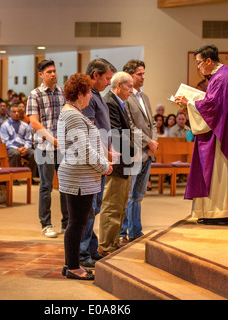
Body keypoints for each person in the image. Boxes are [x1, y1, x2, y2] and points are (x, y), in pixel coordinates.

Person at [174, 44, 228, 225]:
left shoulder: (221, 78)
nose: (198, 67)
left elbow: (212, 108)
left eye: (199, 63)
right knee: (215, 173)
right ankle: (211, 212)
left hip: (218, 135)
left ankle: (218, 214)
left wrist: (189, 103)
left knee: (216, 174)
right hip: (219, 130)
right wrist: (191, 102)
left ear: (209, 61)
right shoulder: (221, 76)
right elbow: (212, 103)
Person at [57, 73, 112, 280]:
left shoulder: (72, 112)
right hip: (79, 177)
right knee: (77, 223)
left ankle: (69, 265)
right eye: (89, 92)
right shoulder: (73, 115)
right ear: (80, 93)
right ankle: (73, 267)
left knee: (77, 222)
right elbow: (84, 150)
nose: (91, 96)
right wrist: (105, 166)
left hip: (80, 175)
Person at [80, 58, 117, 266]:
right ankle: (83, 253)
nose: (109, 83)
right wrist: (102, 157)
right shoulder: (88, 98)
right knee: (89, 208)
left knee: (94, 208)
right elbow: (90, 132)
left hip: (101, 157)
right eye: (107, 78)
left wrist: (109, 151)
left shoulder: (97, 96)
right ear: (95, 75)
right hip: (93, 161)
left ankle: (91, 248)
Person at [26, 60, 68, 238]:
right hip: (45, 147)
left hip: (63, 147)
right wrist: (53, 140)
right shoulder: (35, 94)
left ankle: (67, 224)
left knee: (66, 186)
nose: (53, 74)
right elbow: (34, 122)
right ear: (41, 75)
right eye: (49, 72)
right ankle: (46, 224)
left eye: (54, 71)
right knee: (46, 186)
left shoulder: (62, 92)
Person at [98, 71, 135, 255]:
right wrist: (135, 148)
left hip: (124, 161)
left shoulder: (119, 102)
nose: (132, 90)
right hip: (117, 160)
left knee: (120, 205)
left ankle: (113, 243)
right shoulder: (110, 102)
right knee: (112, 205)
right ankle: (106, 245)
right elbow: (115, 134)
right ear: (119, 85)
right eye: (129, 86)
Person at [121, 59, 158, 243]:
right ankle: (123, 233)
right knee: (128, 195)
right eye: (139, 74)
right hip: (134, 151)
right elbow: (130, 126)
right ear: (130, 76)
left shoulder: (145, 97)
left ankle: (136, 230)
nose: (143, 77)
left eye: (144, 73)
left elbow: (152, 124)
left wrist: (154, 143)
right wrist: (148, 142)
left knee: (139, 194)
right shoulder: (126, 98)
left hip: (148, 152)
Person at [0, 105, 37, 183]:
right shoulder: (5, 126)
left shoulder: (25, 125)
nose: (16, 113)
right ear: (9, 113)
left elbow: (29, 139)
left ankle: (30, 177)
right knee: (15, 153)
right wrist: (17, 148)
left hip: (23, 147)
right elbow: (5, 141)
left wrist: (25, 148)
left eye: (18, 112)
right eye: (14, 112)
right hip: (11, 148)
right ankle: (14, 178)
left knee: (34, 153)